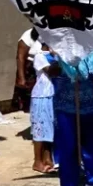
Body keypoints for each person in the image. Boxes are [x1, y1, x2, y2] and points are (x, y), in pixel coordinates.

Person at [30, 45, 56, 173]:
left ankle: (47, 158)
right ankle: (37, 161)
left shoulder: (53, 55)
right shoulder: (39, 56)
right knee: (39, 129)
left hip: (52, 95)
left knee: (49, 128)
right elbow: (51, 71)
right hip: (41, 95)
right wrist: (58, 57)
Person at [14, 28, 42, 112]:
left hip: (45, 70)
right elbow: (20, 57)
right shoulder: (28, 35)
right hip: (30, 71)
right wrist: (22, 78)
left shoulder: (50, 34)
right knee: (30, 100)